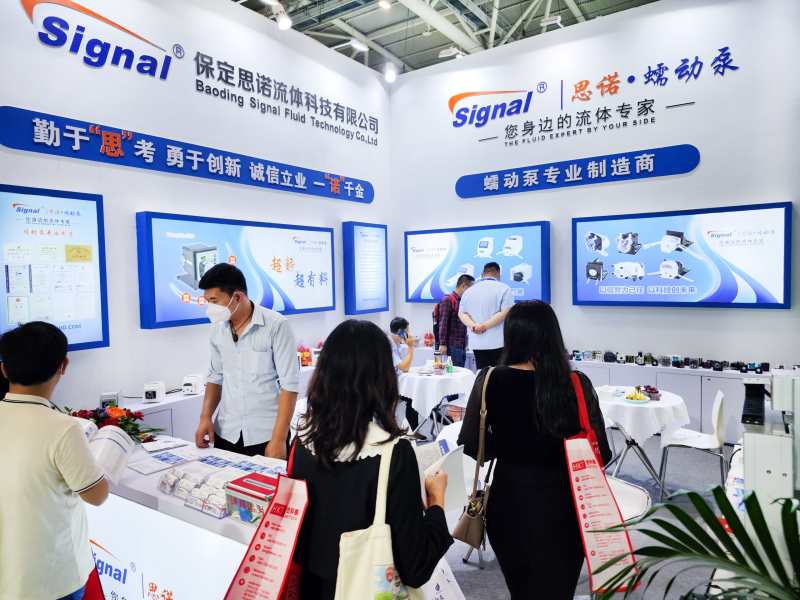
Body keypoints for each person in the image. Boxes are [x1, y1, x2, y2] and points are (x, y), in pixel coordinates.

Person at [458, 301, 612, 600]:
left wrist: (506, 438)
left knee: (522, 590)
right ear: (553, 335)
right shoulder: (576, 384)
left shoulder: (490, 379)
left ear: (511, 336)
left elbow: (474, 448)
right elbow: (602, 453)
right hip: (568, 507)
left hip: (510, 504)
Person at [292, 320, 453, 598]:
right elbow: (416, 566)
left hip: (311, 589)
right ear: (382, 378)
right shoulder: (393, 453)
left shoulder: (302, 441)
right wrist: (437, 502)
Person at [0, 322, 110, 600]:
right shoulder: (63, 428)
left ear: (4, 369)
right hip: (51, 580)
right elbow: (97, 495)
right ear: (63, 366)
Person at [194, 263, 299, 459]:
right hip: (226, 431)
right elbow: (215, 376)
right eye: (207, 301)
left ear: (237, 297)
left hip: (266, 434)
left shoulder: (276, 325)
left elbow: (290, 386)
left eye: (214, 301)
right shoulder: (217, 329)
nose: (210, 308)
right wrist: (205, 417)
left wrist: (278, 439)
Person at [458, 262, 514, 370]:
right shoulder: (504, 289)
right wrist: (484, 326)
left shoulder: (469, 291)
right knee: (498, 373)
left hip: (477, 341)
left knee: (481, 371)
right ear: (498, 273)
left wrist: (474, 326)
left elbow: (462, 313)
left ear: (482, 273)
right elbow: (505, 312)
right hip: (497, 342)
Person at [388, 316, 420, 431]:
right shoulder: (390, 344)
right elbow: (404, 367)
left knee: (412, 394)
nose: (410, 334)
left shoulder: (396, 344)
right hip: (387, 387)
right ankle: (413, 430)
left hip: (393, 382)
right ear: (401, 332)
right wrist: (410, 348)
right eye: (408, 331)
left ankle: (413, 429)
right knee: (412, 395)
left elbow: (404, 369)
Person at [437, 274, 475, 368]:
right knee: (453, 373)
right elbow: (443, 323)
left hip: (461, 346)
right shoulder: (448, 300)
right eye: (470, 289)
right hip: (452, 346)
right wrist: (442, 344)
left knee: (460, 371)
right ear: (463, 286)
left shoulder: (461, 301)